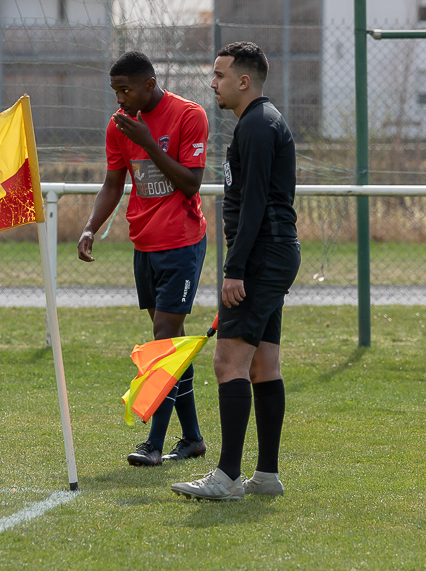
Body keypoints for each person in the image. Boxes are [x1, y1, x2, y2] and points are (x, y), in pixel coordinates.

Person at [171, 41, 300, 501]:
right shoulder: (255, 123)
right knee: (264, 364)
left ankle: (225, 476)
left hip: (263, 257)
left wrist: (235, 268)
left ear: (244, 80)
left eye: (220, 75)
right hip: (272, 254)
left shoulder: (258, 126)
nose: (213, 83)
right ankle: (265, 476)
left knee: (228, 363)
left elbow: (257, 205)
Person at [79, 50, 210, 467]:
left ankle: (153, 444)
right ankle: (191, 438)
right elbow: (113, 183)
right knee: (171, 345)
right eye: (115, 90)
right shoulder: (118, 127)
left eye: (126, 89)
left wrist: (148, 142)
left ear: (149, 85)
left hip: (182, 242)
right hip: (144, 243)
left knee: (162, 340)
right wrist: (90, 228)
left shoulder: (190, 116)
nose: (120, 98)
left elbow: (190, 184)